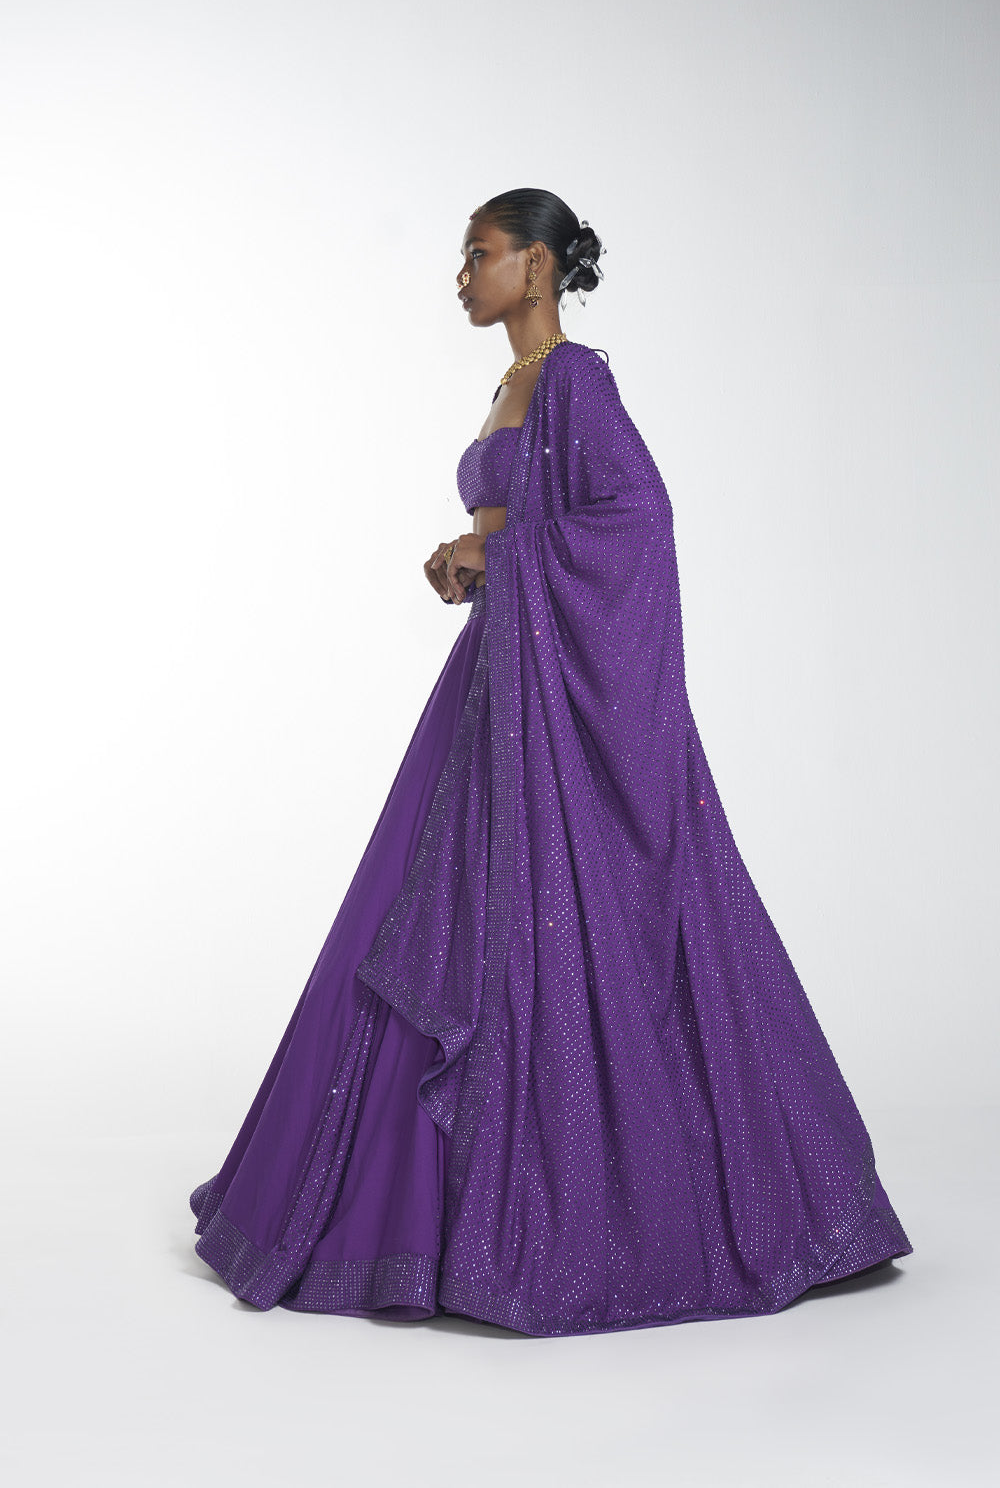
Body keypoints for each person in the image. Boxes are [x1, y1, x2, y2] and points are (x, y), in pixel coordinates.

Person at [189, 188, 913, 1338]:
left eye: (478, 254)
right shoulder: (507, 388)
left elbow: (638, 524)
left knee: (545, 920)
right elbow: (523, 525)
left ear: (536, 265)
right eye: (462, 256)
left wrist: (503, 554)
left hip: (554, 705)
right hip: (496, 682)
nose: (461, 274)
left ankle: (607, 1212)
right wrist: (470, 564)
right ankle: (411, 1215)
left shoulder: (575, 380)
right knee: (438, 912)